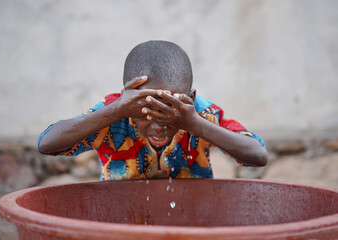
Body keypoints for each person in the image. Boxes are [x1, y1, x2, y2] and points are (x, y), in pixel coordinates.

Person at [38, 40, 267, 180]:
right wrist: (115, 111)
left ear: (190, 98)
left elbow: (257, 156)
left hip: (189, 225)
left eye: (169, 110)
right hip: (122, 224)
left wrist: (194, 124)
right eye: (147, 111)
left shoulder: (200, 114)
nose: (158, 125)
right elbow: (46, 144)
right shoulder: (114, 112)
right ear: (127, 97)